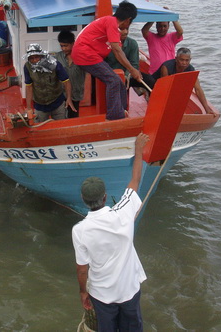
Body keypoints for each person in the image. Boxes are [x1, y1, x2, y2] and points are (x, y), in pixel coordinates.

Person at [72, 133, 150, 332]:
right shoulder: (123, 213)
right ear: (105, 197)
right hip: (129, 290)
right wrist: (139, 149)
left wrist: (83, 292)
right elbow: (135, 181)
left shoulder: (79, 230)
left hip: (102, 294)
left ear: (83, 199)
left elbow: (82, 269)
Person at [71, 0, 143, 120]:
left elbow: (118, 53)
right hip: (85, 55)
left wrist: (131, 71)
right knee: (113, 81)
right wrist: (132, 70)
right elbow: (117, 50)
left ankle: (123, 110)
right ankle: (114, 116)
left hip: (90, 56)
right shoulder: (111, 22)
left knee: (119, 81)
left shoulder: (111, 25)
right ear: (128, 20)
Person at [23, 43, 75, 122]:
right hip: (40, 105)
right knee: (40, 129)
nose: (34, 60)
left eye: (36, 57)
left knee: (61, 127)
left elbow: (66, 82)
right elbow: (28, 87)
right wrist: (29, 108)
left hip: (57, 102)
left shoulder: (54, 64)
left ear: (41, 56)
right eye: (31, 58)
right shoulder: (27, 67)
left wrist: (68, 99)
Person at [156, 47, 216, 115]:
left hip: (173, 87)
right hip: (156, 86)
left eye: (187, 60)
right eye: (181, 60)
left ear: (190, 60)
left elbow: (198, 89)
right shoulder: (166, 67)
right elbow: (165, 88)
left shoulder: (191, 69)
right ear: (176, 59)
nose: (184, 63)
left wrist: (207, 109)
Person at [55, 30, 85, 118]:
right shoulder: (57, 57)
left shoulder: (81, 57)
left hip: (76, 93)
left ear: (73, 43)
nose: (63, 48)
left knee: (73, 117)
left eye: (66, 46)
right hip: (61, 94)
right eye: (61, 46)